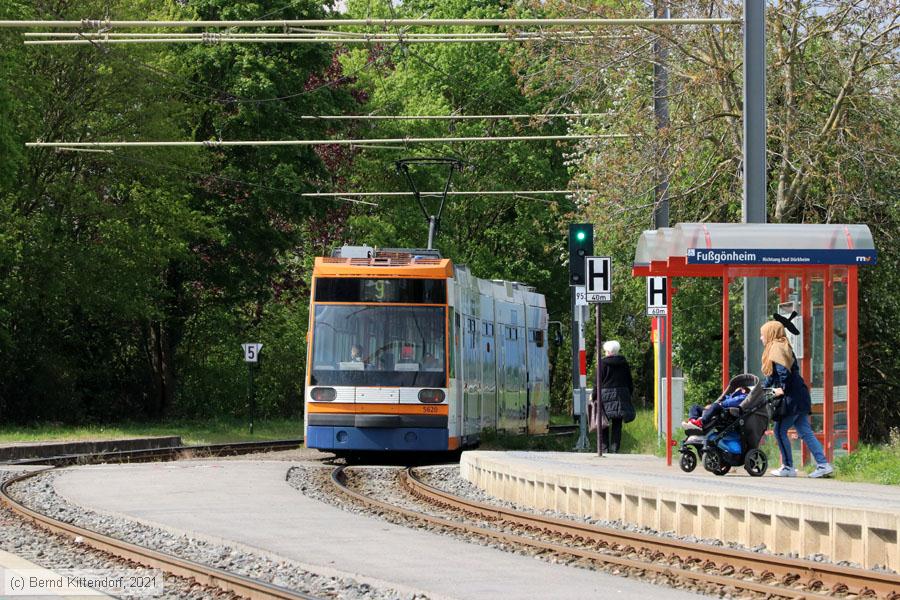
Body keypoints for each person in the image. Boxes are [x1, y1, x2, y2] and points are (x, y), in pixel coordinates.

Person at [760, 320, 834, 478]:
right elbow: (773, 376)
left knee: (779, 430)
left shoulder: (777, 348)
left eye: (763, 334)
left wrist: (782, 389)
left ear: (771, 333)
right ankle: (823, 464)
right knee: (805, 431)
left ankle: (788, 467)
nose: (761, 337)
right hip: (799, 395)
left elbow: (782, 373)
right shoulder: (781, 346)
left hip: (792, 397)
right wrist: (759, 388)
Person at [597, 340, 636, 453]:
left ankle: (604, 448)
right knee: (617, 423)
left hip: (605, 395)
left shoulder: (602, 364)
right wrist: (629, 394)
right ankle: (615, 449)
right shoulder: (624, 363)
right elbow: (629, 380)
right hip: (621, 394)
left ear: (608, 351)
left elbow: (598, 382)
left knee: (603, 422)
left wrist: (594, 395)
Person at [683, 386, 750, 431]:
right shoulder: (730, 397)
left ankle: (701, 423)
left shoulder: (744, 396)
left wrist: (720, 404)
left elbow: (734, 402)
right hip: (719, 408)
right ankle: (692, 421)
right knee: (695, 406)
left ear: (743, 390)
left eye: (736, 390)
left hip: (727, 412)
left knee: (715, 405)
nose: (734, 391)